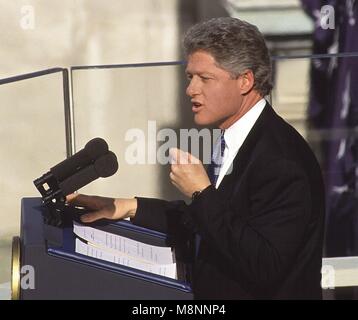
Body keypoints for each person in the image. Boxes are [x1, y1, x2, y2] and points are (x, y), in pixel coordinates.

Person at [67, 17, 325, 299]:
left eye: (205, 78)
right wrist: (126, 207)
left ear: (245, 81)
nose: (191, 89)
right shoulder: (236, 137)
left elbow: (264, 264)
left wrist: (201, 192)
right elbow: (211, 222)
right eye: (190, 77)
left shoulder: (281, 161)